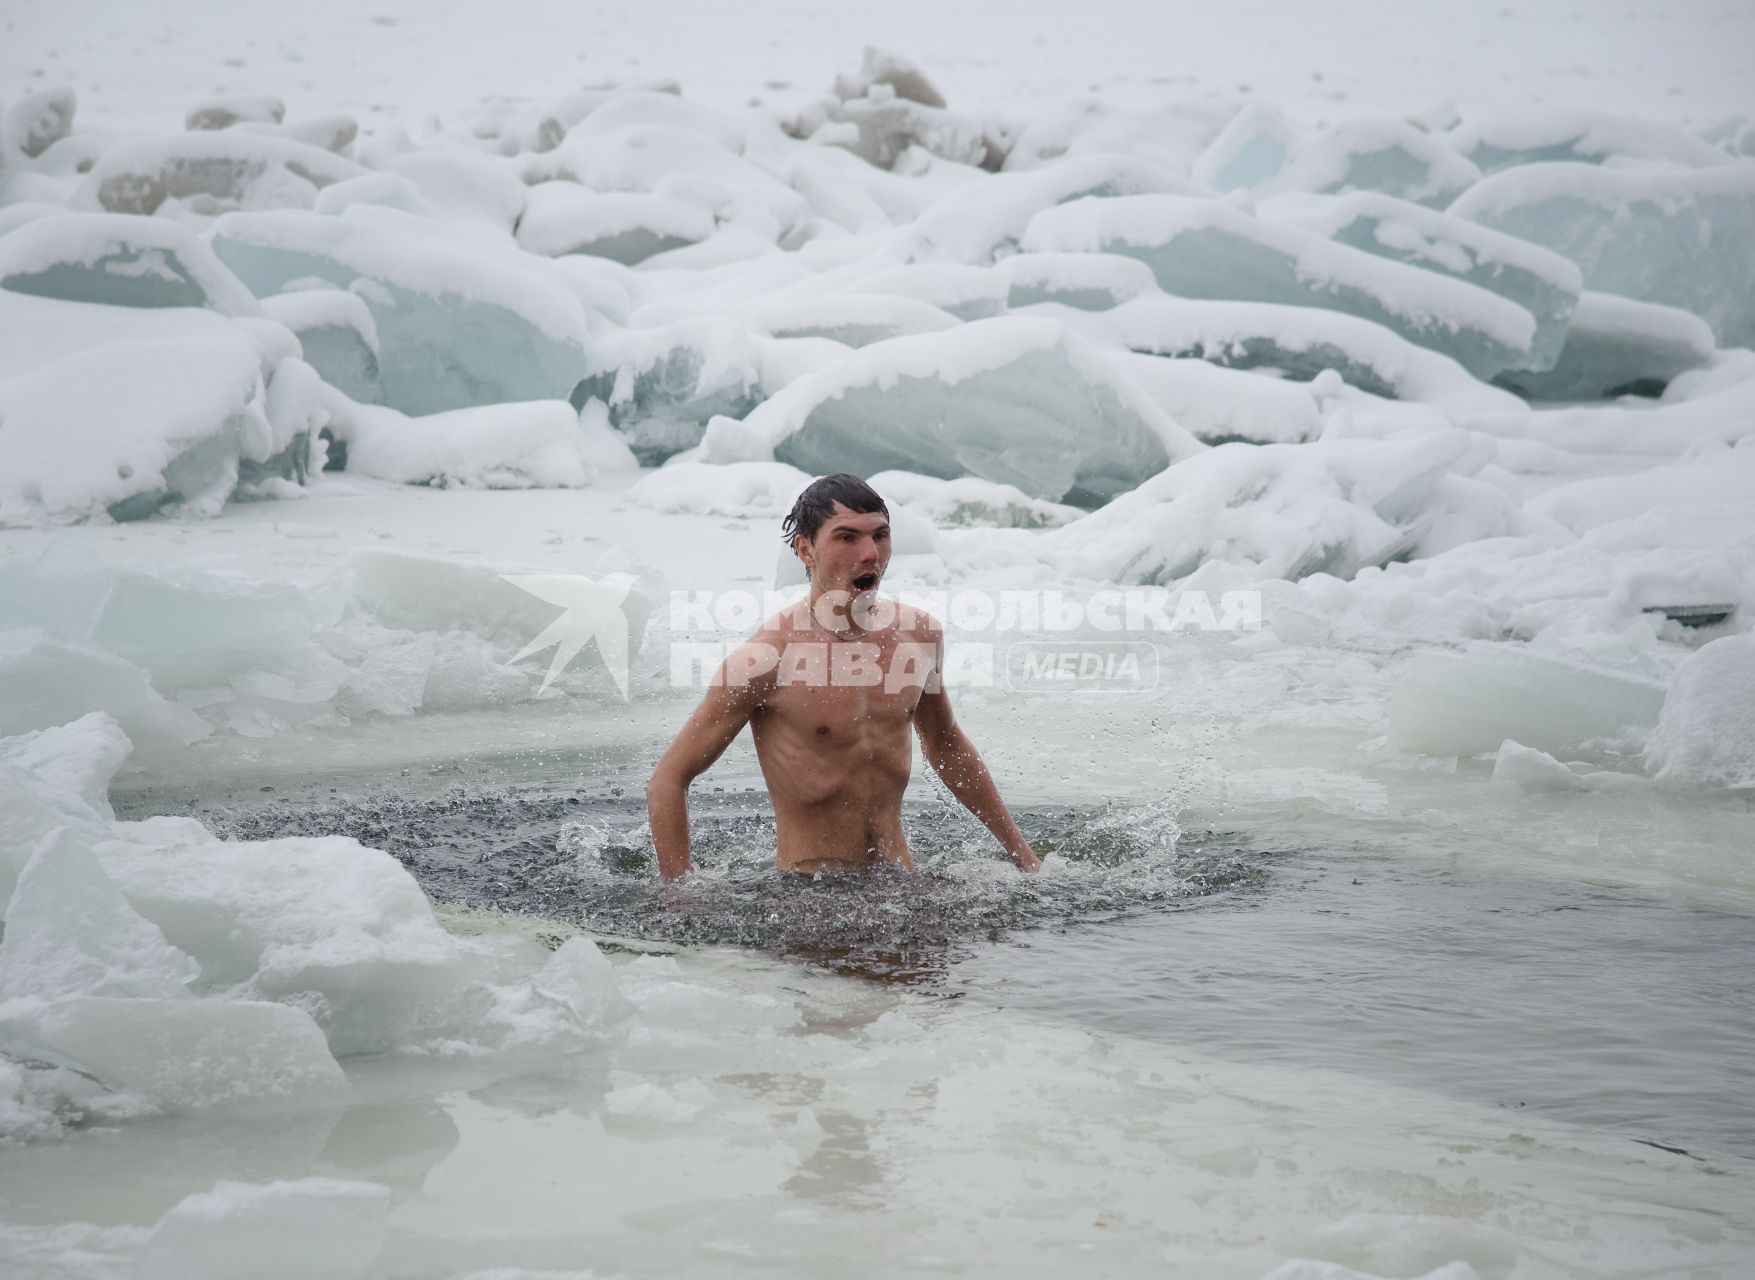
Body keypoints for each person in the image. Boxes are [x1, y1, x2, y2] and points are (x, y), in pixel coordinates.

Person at [647, 473, 1042, 880]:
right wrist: (680, 896)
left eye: (880, 535)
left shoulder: (920, 637)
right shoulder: (765, 659)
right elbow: (669, 779)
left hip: (901, 883)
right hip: (809, 892)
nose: (871, 553)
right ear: (805, 549)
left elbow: (946, 746)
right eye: (847, 537)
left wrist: (1023, 857)